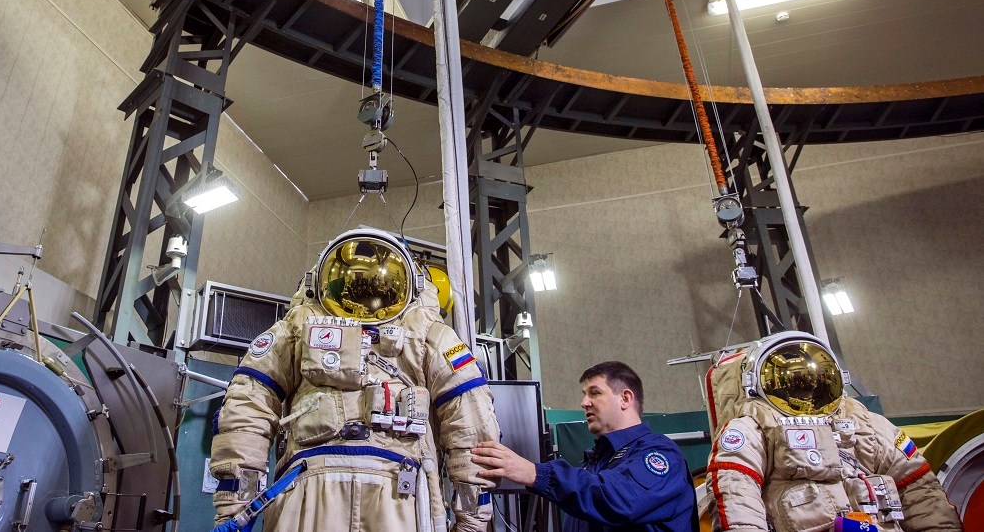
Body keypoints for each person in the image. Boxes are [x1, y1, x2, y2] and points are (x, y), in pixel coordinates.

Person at [209, 228, 499, 532]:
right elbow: (472, 424)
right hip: (395, 499)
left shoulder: (425, 334)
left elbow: (245, 409)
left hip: (322, 496)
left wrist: (234, 511)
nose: (365, 297)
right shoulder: (300, 328)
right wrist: (471, 522)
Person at [705, 331, 962, 532]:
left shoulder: (867, 424)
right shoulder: (752, 426)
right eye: (792, 378)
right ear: (756, 382)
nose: (804, 384)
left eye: (812, 376)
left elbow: (921, 492)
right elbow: (737, 491)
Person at [472, 361, 698, 532]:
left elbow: (617, 500)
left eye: (595, 393)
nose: (584, 402)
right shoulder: (595, 465)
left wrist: (534, 473)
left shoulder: (659, 454)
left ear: (625, 399)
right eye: (584, 395)